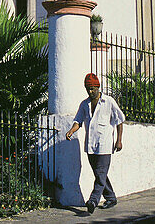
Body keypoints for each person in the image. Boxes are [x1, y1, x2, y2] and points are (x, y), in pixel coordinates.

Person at [65, 72, 125, 214]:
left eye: (92, 88)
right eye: (88, 88)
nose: (90, 91)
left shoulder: (109, 102)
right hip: (91, 146)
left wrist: (119, 140)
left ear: (98, 87)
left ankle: (93, 200)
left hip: (104, 145)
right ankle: (111, 197)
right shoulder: (84, 104)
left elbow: (120, 120)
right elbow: (78, 121)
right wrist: (72, 131)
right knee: (100, 174)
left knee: (101, 173)